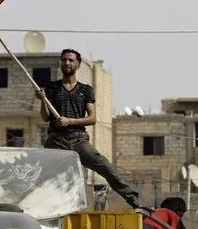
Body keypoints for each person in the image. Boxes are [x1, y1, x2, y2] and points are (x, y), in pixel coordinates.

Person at [36, 49, 141, 209]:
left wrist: (69, 121)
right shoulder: (52, 88)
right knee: (43, 176)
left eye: (71, 60)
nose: (67, 63)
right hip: (56, 141)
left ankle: (132, 199)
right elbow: (45, 117)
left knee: (105, 167)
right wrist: (42, 100)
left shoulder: (85, 90)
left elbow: (92, 118)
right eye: (64, 60)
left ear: (78, 65)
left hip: (78, 140)